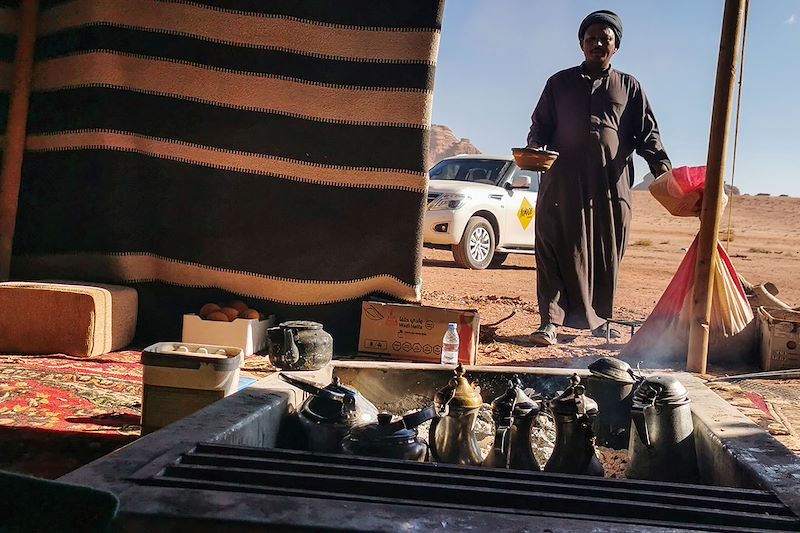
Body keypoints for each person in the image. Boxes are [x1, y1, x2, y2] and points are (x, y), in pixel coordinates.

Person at [526, 10, 671, 346]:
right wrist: (535, 147)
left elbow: (648, 134)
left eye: (604, 38)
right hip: (562, 182)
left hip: (609, 185)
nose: (596, 43)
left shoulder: (629, 86)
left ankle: (601, 320)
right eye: (590, 38)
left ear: (615, 46)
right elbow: (541, 125)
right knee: (554, 245)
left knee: (606, 252)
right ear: (581, 43)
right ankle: (550, 322)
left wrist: (662, 168)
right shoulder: (558, 83)